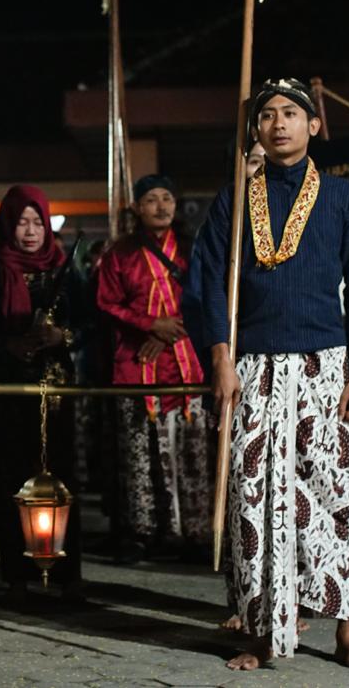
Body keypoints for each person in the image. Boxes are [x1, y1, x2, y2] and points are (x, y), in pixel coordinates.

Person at [191, 77, 349, 670]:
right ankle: (260, 629)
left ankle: (345, 629)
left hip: (324, 365)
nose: (279, 123)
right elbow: (207, 285)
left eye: (291, 113)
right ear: (255, 130)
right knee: (255, 497)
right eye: (267, 115)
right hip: (251, 366)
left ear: (314, 125)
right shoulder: (233, 196)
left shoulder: (343, 198)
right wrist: (221, 361)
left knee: (332, 495)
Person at [0, 185, 85, 603]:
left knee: (61, 478)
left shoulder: (64, 266)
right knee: (11, 478)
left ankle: (68, 575)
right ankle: (16, 577)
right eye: (22, 222)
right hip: (5, 388)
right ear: (7, 224)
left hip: (55, 391)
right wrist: (3, 342)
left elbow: (91, 320)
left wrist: (60, 335)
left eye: (37, 222)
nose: (30, 231)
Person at [96, 174, 209, 563]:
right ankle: (141, 532)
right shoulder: (119, 254)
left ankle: (192, 531)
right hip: (136, 366)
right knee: (138, 457)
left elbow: (208, 297)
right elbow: (106, 302)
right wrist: (149, 323)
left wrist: (165, 331)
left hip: (184, 365)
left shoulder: (193, 250)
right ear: (137, 208)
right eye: (151, 200)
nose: (161, 206)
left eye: (167, 198)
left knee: (189, 453)